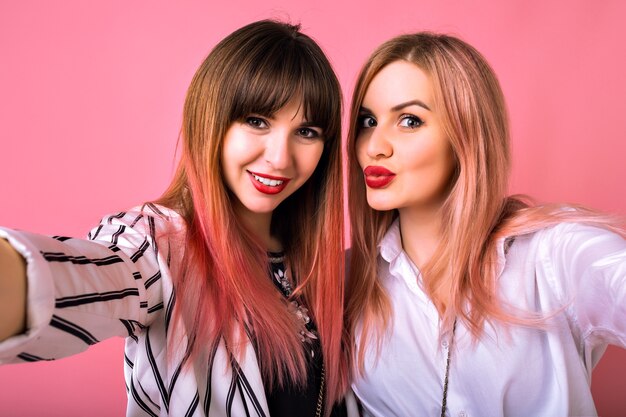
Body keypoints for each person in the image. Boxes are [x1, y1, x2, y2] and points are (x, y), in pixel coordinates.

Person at [0, 20, 356, 417]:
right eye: (257, 121)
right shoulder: (160, 245)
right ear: (211, 120)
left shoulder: (318, 268)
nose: (280, 157)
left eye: (306, 131)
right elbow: (84, 277)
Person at [344, 32, 626, 417]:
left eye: (409, 120)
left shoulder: (553, 257)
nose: (375, 145)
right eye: (368, 120)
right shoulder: (348, 283)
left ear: (466, 135)